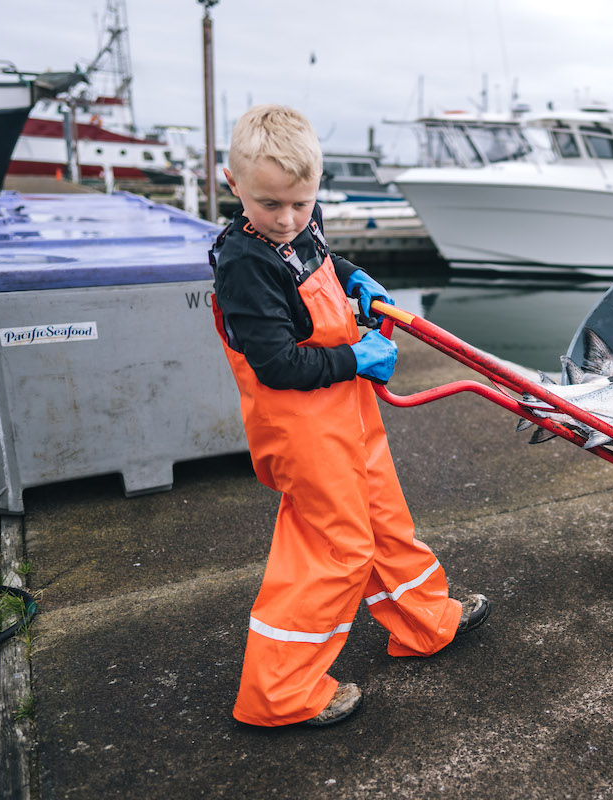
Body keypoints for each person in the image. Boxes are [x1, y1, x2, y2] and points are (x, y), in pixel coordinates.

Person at [208, 105, 489, 728]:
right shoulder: (244, 266)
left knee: (384, 514)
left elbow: (321, 261)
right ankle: (280, 693)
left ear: (315, 188)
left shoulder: (300, 227)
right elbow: (278, 364)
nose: (287, 221)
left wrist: (360, 280)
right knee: (337, 546)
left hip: (346, 412)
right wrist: (356, 355)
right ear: (234, 186)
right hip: (302, 428)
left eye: (301, 205)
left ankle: (423, 621)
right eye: (269, 205)